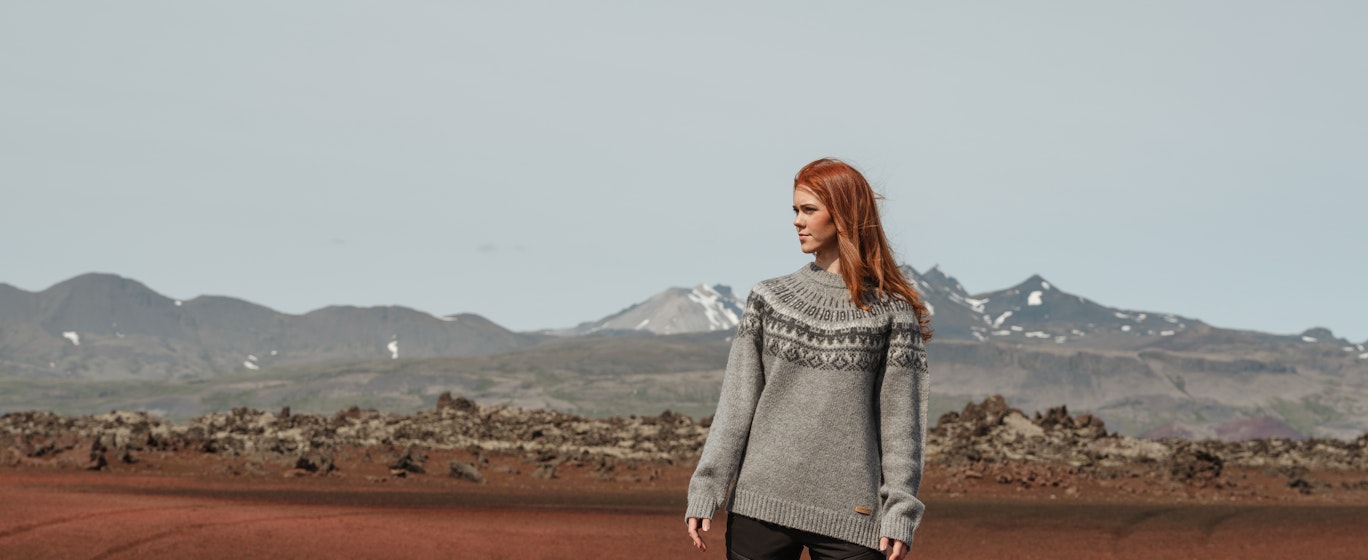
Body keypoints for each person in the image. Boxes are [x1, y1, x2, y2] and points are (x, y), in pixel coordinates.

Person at [685, 158, 932, 560]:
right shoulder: (770, 299)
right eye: (795, 210)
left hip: (853, 514)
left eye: (809, 210)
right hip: (760, 504)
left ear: (844, 214)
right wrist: (706, 487)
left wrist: (900, 510)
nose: (797, 221)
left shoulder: (891, 313)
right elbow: (736, 404)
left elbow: (902, 423)